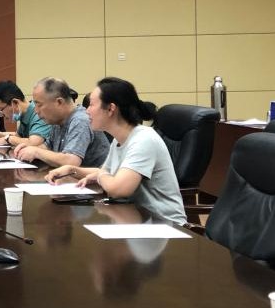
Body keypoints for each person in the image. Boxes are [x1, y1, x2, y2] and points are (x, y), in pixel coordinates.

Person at [46, 77, 186, 225]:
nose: (87, 111)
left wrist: (100, 175)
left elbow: (118, 189)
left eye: (91, 105)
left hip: (166, 225)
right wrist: (72, 170)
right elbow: (107, 172)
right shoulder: (119, 139)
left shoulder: (144, 139)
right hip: (136, 219)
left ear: (111, 109)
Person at [12, 77, 109, 168]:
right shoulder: (58, 120)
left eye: (39, 105)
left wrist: (36, 152)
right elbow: (47, 147)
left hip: (95, 180)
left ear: (59, 102)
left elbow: (71, 161)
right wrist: (28, 149)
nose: (36, 111)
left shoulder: (80, 120)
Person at [0, 80, 51, 147]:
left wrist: (8, 139)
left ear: (15, 103)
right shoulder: (25, 114)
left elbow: (34, 143)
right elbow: (18, 137)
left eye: (1, 109)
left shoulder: (39, 113)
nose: (1, 115)